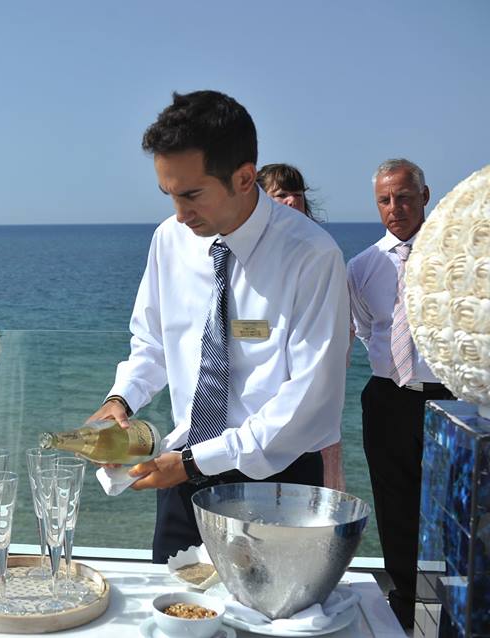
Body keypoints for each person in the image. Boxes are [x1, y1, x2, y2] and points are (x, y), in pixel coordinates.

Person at [88, 90, 350, 563]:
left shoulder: (312, 254)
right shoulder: (169, 241)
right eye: (169, 195)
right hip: (181, 474)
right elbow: (152, 342)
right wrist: (120, 398)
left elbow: (311, 399)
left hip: (278, 483)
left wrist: (192, 462)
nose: (179, 214)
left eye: (191, 195)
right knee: (176, 615)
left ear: (245, 177)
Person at [347, 158, 453, 628]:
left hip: (451, 400)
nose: (396, 208)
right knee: (396, 506)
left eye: (405, 197)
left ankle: (453, 605)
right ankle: (410, 606)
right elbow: (367, 327)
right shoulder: (363, 266)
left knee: (453, 505)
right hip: (389, 397)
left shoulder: (454, 257)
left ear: (425, 197)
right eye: (385, 200)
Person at [257, 163, 345, 491]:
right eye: (281, 194)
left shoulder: (320, 253)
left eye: (297, 194)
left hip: (315, 393)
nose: (292, 201)